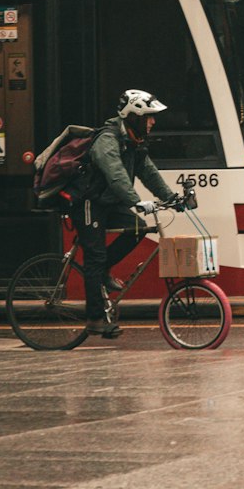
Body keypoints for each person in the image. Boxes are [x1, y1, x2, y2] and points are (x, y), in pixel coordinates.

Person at [72, 89, 175, 338]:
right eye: (149, 117)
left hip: (110, 202)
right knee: (94, 257)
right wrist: (136, 201)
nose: (153, 122)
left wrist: (172, 198)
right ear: (135, 116)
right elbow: (115, 173)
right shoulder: (108, 139)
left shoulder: (134, 141)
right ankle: (95, 319)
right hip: (89, 202)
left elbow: (148, 172)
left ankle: (104, 271)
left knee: (138, 228)